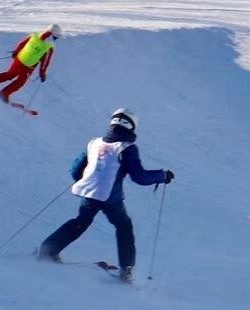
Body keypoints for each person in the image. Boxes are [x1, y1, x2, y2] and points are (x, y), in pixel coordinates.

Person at [37, 108, 173, 282]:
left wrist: (86, 180)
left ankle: (47, 250)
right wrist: (162, 176)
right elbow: (139, 177)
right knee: (124, 225)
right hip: (110, 197)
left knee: (80, 222)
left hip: (89, 192)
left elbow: (75, 169)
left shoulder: (94, 142)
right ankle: (127, 270)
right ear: (131, 127)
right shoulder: (127, 148)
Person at [0, 24, 61, 103]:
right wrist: (42, 74)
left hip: (19, 59)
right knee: (20, 82)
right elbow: (45, 63)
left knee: (9, 74)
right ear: (53, 36)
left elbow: (22, 43)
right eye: (56, 38)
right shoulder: (49, 48)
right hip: (28, 66)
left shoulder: (34, 36)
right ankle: (4, 93)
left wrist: (16, 52)